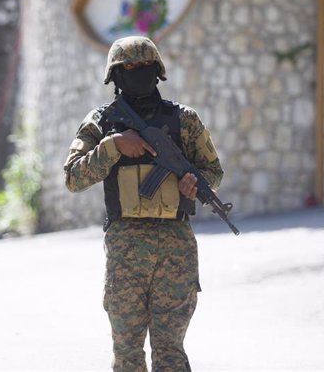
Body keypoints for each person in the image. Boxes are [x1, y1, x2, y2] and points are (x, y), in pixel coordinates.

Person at [64, 36, 223, 371]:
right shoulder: (101, 122)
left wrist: (197, 183)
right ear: (115, 76)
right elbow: (73, 178)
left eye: (144, 66)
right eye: (128, 68)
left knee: (170, 351)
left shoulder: (184, 120)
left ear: (157, 71)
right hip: (126, 248)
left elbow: (213, 171)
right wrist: (113, 146)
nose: (137, 73)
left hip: (175, 248)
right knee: (127, 352)